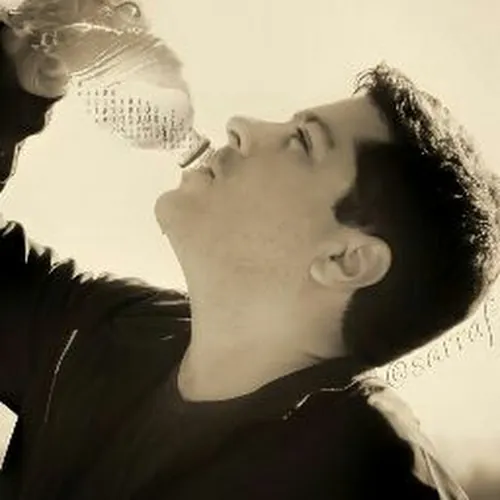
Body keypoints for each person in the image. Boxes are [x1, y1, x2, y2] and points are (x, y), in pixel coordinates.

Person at [0, 13, 498, 500]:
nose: (242, 125)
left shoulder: (371, 473)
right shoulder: (108, 329)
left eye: (303, 141)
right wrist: (19, 74)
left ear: (346, 260)